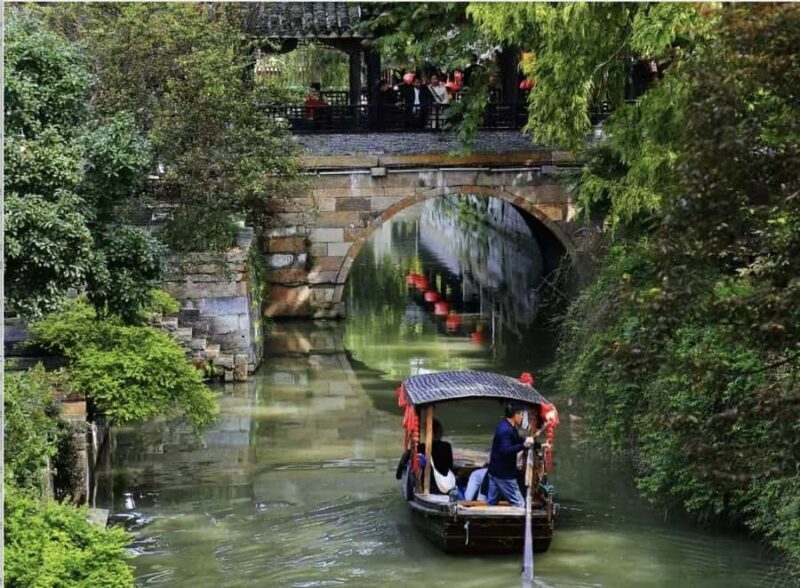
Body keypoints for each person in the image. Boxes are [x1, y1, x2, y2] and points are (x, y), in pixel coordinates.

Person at [486, 402, 536, 508]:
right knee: (520, 505)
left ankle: (488, 521)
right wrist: (524, 446)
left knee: (491, 503)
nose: (522, 417)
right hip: (503, 474)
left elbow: (517, 440)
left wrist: (538, 444)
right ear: (516, 415)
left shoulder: (509, 426)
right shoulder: (504, 430)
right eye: (521, 414)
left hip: (495, 471)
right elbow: (505, 450)